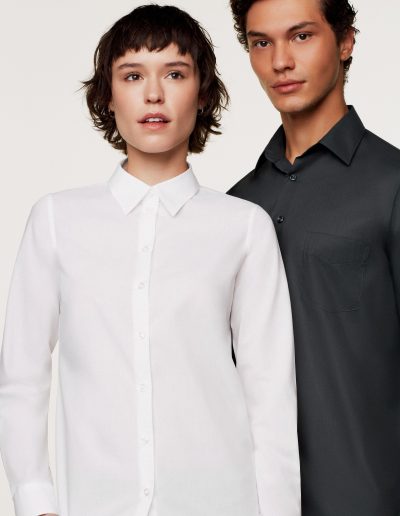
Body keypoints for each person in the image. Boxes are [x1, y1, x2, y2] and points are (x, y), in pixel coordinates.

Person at [0, 5, 300, 516]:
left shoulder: (244, 227)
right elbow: (22, 375)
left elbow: (270, 392)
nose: (154, 94)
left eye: (175, 74)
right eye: (133, 75)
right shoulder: (56, 220)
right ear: (108, 94)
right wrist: (34, 499)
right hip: (94, 503)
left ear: (201, 93)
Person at [227, 0, 400, 515]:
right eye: (261, 42)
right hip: (251, 500)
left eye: (301, 36)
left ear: (345, 41)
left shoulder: (391, 185)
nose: (280, 61)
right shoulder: (236, 207)